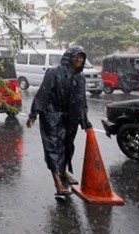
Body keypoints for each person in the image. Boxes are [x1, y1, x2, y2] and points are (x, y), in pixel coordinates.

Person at [26, 45, 92, 196]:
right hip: (51, 115)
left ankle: (63, 171)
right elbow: (43, 93)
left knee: (67, 146)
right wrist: (33, 114)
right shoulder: (54, 73)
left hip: (70, 117)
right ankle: (58, 182)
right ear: (69, 57)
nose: (79, 59)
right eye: (77, 56)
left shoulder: (80, 78)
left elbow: (81, 102)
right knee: (53, 148)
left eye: (82, 57)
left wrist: (85, 121)